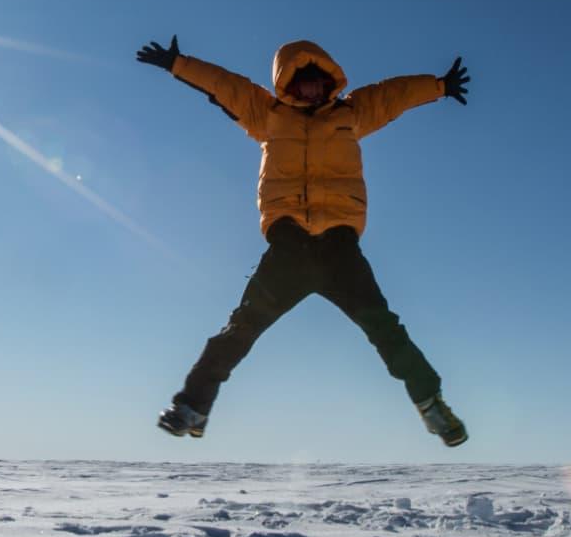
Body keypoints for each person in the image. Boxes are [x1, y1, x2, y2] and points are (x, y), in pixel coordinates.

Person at [137, 35, 471, 446]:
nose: (311, 89)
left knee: (385, 328)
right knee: (241, 327)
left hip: (339, 246)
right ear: (288, 84)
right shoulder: (267, 114)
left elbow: (393, 96)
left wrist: (439, 86)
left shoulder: (352, 112)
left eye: (317, 81)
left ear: (328, 81)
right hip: (289, 244)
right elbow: (226, 86)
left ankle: (432, 406)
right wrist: (178, 64)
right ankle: (193, 406)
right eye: (302, 82)